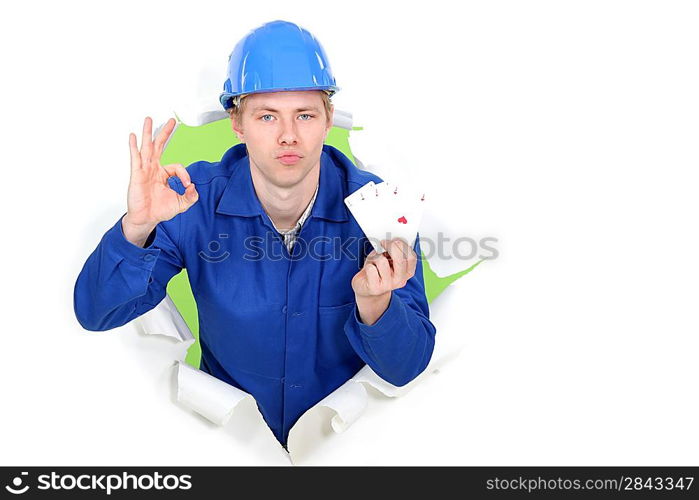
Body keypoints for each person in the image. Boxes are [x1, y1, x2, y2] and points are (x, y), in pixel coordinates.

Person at [73, 20, 436, 451]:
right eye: (267, 116)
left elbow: (407, 367)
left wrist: (377, 305)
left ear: (328, 120)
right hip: (229, 444)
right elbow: (96, 314)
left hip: (343, 445)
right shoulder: (189, 202)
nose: (288, 135)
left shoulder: (378, 210)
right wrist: (136, 228)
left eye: (305, 114)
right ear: (237, 122)